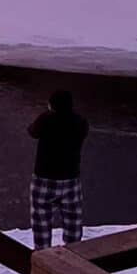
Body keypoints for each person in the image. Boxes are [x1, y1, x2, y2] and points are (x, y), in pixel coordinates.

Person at [28, 88, 89, 247]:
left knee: (41, 223)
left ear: (52, 105)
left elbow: (32, 132)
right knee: (73, 224)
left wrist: (47, 115)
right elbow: (83, 132)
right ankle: (73, 258)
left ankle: (43, 259)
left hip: (44, 180)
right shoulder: (80, 121)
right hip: (70, 180)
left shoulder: (45, 119)